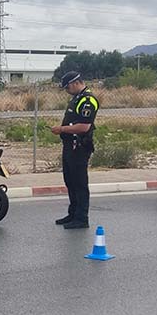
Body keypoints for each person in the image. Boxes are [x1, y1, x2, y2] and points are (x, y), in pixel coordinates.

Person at [51, 71, 100, 230]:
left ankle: (81, 218)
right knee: (70, 181)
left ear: (74, 83)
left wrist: (62, 129)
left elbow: (84, 126)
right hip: (69, 146)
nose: (66, 91)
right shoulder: (77, 98)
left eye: (67, 87)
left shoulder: (88, 100)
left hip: (79, 147)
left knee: (80, 184)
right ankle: (73, 213)